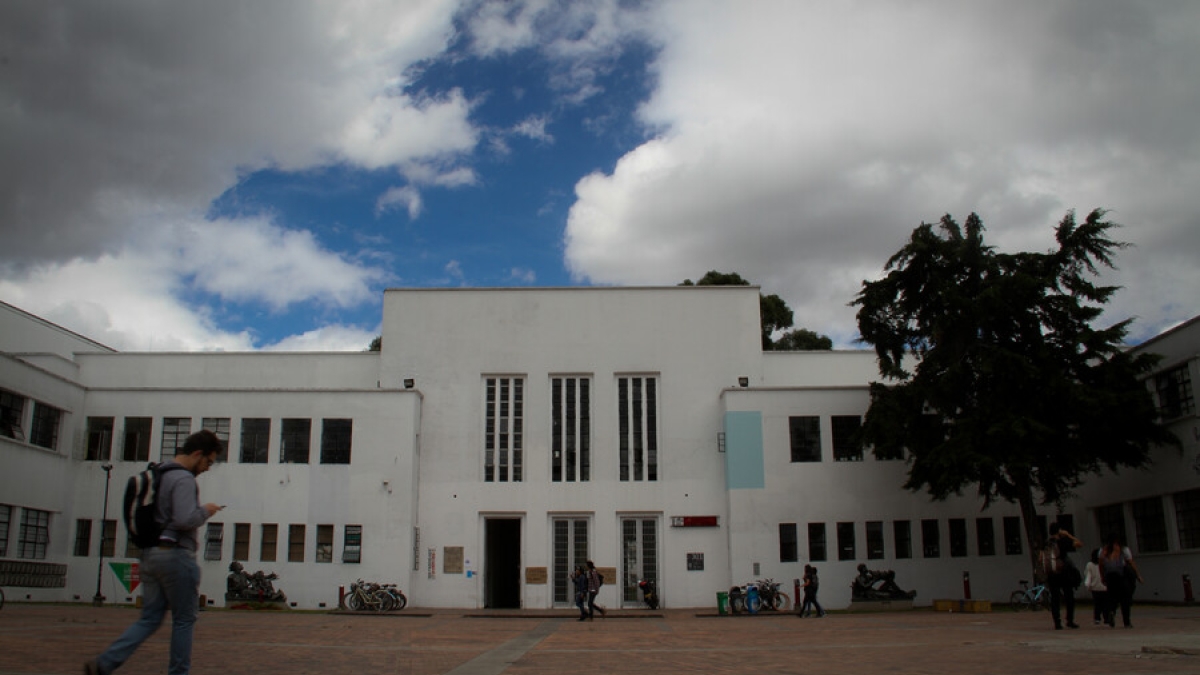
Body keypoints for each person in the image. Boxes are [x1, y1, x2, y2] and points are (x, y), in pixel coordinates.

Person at [85, 430, 224, 675]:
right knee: (184, 619)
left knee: (149, 618)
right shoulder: (183, 479)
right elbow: (184, 519)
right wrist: (207, 511)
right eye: (208, 462)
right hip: (176, 556)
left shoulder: (159, 473)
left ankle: (105, 663)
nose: (207, 468)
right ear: (197, 454)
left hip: (151, 555)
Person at [1099, 533, 1144, 628]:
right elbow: (1131, 563)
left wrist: (1103, 577)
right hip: (1121, 576)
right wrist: (1138, 575)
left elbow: (1101, 566)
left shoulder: (1103, 551)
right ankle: (1126, 622)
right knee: (1125, 599)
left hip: (1109, 577)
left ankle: (1112, 612)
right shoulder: (1123, 550)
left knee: (1112, 597)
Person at [1045, 522, 1082, 630]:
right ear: (1059, 531)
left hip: (1051, 573)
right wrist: (1068, 535)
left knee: (1055, 598)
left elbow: (1041, 558)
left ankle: (1057, 622)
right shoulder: (1063, 542)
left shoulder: (1046, 543)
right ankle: (1069, 620)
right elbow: (1079, 544)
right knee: (1069, 596)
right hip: (1064, 573)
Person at [1083, 548, 1109, 626]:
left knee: (1097, 604)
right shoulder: (1104, 563)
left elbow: (1088, 575)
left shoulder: (1089, 564)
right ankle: (1106, 618)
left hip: (1095, 587)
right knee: (1105, 604)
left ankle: (1097, 618)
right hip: (1104, 586)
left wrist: (1088, 585)